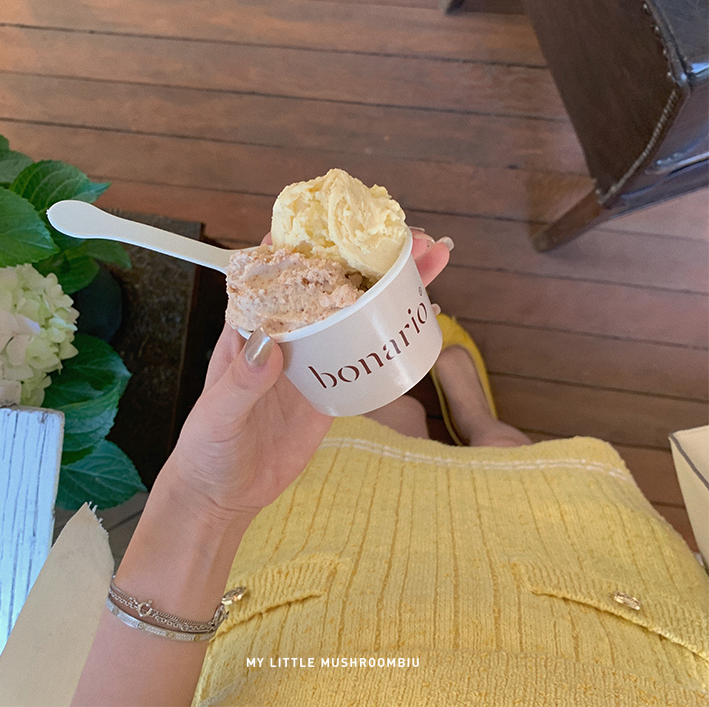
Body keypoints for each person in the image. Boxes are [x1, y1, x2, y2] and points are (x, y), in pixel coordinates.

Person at [72, 233, 709, 707]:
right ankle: (478, 419)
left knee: (367, 439)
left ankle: (406, 406)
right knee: (520, 468)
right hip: (611, 633)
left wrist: (208, 504)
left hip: (298, 628)